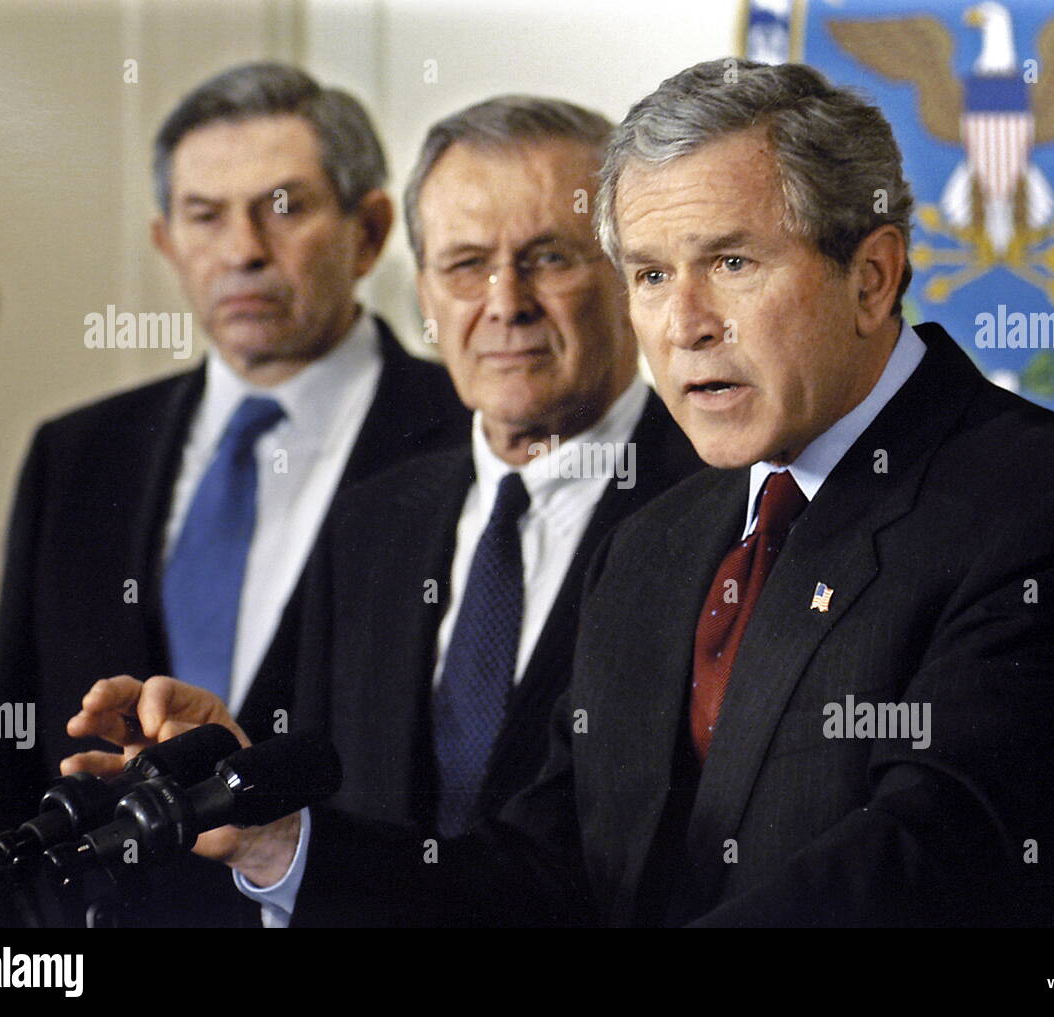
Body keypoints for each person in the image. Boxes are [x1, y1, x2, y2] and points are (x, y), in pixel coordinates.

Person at [69, 59, 1054, 927]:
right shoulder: (662, 542)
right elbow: (554, 881)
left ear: (872, 274)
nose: (682, 321)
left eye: (732, 263)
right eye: (649, 274)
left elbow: (923, 881)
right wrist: (274, 834)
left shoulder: (1052, 517)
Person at [67, 95, 702, 927]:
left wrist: (287, 842)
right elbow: (358, 820)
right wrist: (249, 785)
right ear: (427, 296)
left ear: (632, 276)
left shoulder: (720, 510)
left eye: (549, 257)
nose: (505, 302)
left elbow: (601, 871)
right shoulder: (372, 521)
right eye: (466, 264)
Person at [0, 62, 468, 928]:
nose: (243, 249)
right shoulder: (77, 452)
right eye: (204, 215)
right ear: (165, 243)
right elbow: (11, 747)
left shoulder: (467, 433)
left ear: (370, 231)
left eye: (285, 206)